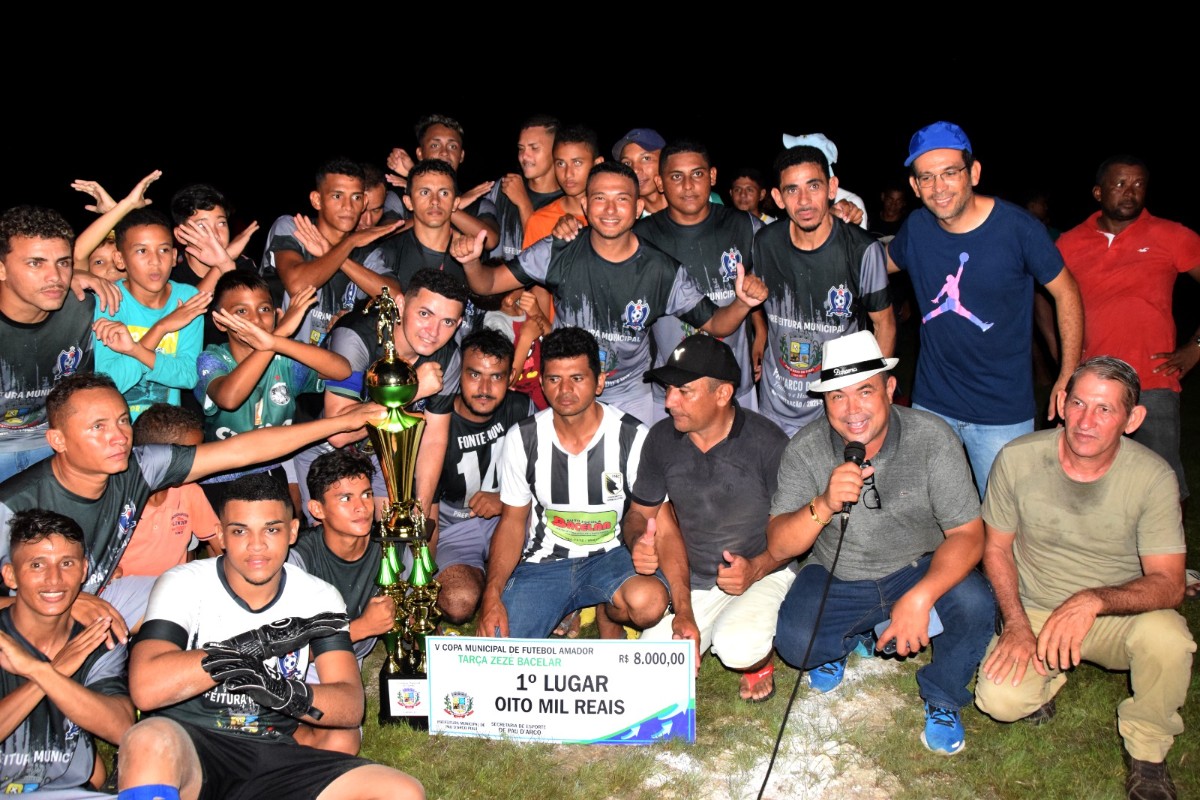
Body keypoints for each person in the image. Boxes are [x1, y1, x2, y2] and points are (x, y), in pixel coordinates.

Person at [116, 474, 424, 800]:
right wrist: (255, 645)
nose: (257, 545)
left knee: (401, 791)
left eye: (272, 529)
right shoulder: (184, 583)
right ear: (220, 534)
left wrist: (272, 687)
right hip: (192, 744)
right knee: (148, 738)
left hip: (273, 747)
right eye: (239, 531)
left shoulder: (318, 596)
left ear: (292, 531)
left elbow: (349, 705)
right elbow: (146, 690)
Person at [0, 372, 386, 627]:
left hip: (103, 593)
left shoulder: (139, 467)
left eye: (121, 420)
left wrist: (341, 422)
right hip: (34, 608)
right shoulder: (15, 503)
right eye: (97, 427)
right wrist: (65, 604)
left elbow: (241, 450)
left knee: (197, 598)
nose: (118, 437)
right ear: (58, 441)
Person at [974, 356, 1193, 800]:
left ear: (1133, 419)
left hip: (1114, 614)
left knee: (1170, 639)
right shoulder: (1018, 458)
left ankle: (1148, 753)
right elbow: (995, 548)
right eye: (1078, 403)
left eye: (1105, 409)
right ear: (1062, 402)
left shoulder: (1153, 477)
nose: (1085, 421)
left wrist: (1092, 599)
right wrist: (1016, 623)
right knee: (998, 701)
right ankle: (1048, 675)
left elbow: (1170, 583)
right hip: (1036, 610)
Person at [768, 330, 995, 755]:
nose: (852, 410)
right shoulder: (806, 448)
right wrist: (823, 504)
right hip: (838, 573)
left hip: (916, 567)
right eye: (837, 396)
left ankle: (943, 695)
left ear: (890, 389)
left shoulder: (932, 437)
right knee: (796, 645)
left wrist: (921, 598)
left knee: (976, 604)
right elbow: (780, 546)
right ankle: (856, 635)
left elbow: (968, 534)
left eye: (864, 391)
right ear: (824, 402)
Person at [455, 161, 768, 423]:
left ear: (638, 207)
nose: (610, 209)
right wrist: (471, 263)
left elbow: (717, 324)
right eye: (600, 198)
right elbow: (488, 283)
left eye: (621, 199)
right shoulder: (560, 251)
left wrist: (742, 304)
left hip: (631, 395)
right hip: (568, 388)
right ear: (585, 205)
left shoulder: (660, 269)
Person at [886, 120, 1084, 495]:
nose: (938, 187)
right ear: (914, 186)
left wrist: (1068, 373)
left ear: (973, 172)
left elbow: (1067, 292)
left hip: (1002, 412)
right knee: (929, 513)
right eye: (926, 178)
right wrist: (842, 225)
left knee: (1002, 525)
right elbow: (876, 264)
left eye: (949, 173)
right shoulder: (917, 227)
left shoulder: (1019, 229)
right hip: (932, 404)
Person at [625, 334, 790, 701]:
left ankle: (757, 656)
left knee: (737, 648)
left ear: (723, 394)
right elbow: (639, 514)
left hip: (767, 567)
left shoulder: (767, 443)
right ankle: (712, 621)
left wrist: (757, 567)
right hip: (698, 578)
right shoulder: (662, 440)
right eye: (669, 390)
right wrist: (638, 540)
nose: (669, 402)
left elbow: (799, 531)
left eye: (684, 391)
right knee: (654, 662)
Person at [476, 327, 667, 639]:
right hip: (545, 563)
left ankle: (607, 610)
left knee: (648, 604)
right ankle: (566, 605)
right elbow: (512, 523)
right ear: (542, 383)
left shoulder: (633, 437)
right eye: (554, 379)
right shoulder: (522, 439)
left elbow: (655, 515)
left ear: (599, 381)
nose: (564, 390)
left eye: (577, 378)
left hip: (611, 557)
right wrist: (491, 596)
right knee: (500, 641)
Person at [1055, 155, 1200, 502]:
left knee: (1162, 484)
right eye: (1120, 184)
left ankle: (1167, 557)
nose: (1130, 192)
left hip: (1153, 380)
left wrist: (1197, 346)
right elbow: (1046, 302)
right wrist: (1063, 359)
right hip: (1090, 383)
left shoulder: (1172, 235)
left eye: (1138, 185)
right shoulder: (1069, 243)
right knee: (1084, 478)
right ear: (1098, 192)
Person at [753, 145, 894, 436]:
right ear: (778, 198)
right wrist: (759, 335)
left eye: (813, 186)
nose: (804, 201)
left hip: (836, 407)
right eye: (792, 190)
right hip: (774, 402)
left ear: (832, 188)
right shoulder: (764, 243)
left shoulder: (861, 250)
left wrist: (870, 392)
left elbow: (885, 324)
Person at [0, 509, 133, 797]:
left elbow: (122, 729)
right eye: (37, 565)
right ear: (10, 576)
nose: (54, 579)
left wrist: (38, 670)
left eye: (67, 563)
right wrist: (53, 671)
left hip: (70, 790)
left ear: (84, 570)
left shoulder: (95, 638)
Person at [194, 271, 349, 511]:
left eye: (264, 309)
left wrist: (276, 342)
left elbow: (342, 371)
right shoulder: (213, 359)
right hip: (221, 476)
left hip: (273, 469)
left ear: (277, 316)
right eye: (241, 311)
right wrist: (277, 337)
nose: (256, 319)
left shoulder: (284, 361)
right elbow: (229, 398)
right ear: (219, 321)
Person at [322, 269, 465, 520]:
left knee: (407, 539)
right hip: (321, 448)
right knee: (350, 537)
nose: (433, 331)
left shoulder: (449, 355)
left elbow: (433, 440)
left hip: (385, 449)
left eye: (448, 322)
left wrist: (421, 510)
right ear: (400, 304)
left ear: (459, 323)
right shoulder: (355, 336)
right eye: (424, 314)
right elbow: (338, 434)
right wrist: (414, 390)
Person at [637, 140, 764, 419]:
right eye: (676, 176)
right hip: (672, 391)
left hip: (734, 387)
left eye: (697, 174)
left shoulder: (744, 226)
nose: (688, 185)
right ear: (660, 182)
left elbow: (792, 251)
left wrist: (837, 219)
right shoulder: (641, 237)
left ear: (713, 176)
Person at [287, 449, 393, 755]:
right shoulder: (297, 561)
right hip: (297, 666)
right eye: (345, 498)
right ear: (317, 509)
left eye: (366, 494)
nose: (361, 507)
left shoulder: (393, 552)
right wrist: (360, 628)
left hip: (341, 667)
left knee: (343, 743)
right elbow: (280, 651)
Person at [0, 206, 110, 483]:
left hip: (58, 445)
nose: (55, 277)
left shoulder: (86, 308)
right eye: (35, 263)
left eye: (63, 263)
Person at [430, 330, 533, 624]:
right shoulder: (439, 421)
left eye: (496, 377)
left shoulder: (522, 409)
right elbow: (429, 512)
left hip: (513, 516)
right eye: (474, 375)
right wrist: (422, 581)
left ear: (510, 376)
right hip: (454, 524)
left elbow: (546, 482)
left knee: (534, 603)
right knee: (458, 601)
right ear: (458, 373)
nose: (485, 388)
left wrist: (505, 500)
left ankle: (502, 575)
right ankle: (482, 574)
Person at [261, 157, 403, 350]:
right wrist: (350, 243)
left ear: (364, 202)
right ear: (317, 200)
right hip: (280, 360)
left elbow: (395, 298)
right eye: (337, 196)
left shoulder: (367, 252)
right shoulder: (294, 227)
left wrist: (335, 252)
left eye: (356, 197)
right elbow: (298, 285)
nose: (348, 206)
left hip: (330, 366)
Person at [91, 208, 208, 420]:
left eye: (163, 250)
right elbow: (109, 383)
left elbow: (189, 376)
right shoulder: (109, 299)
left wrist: (135, 350)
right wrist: (161, 328)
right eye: (141, 251)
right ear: (120, 259)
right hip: (116, 429)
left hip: (166, 427)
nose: (155, 261)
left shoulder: (187, 298)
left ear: (174, 257)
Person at [115, 404, 220, 579]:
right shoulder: (118, 497)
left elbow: (219, 546)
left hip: (171, 590)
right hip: (125, 593)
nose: (200, 464)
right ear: (161, 459)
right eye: (190, 458)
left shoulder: (189, 492)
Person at [520, 125, 603, 248]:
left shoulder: (612, 215)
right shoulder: (539, 221)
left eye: (577, 163)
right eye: (561, 163)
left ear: (597, 164)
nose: (568, 173)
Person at [614, 127, 668, 216]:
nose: (635, 169)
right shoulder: (624, 222)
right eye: (627, 163)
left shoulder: (692, 208)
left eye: (646, 158)